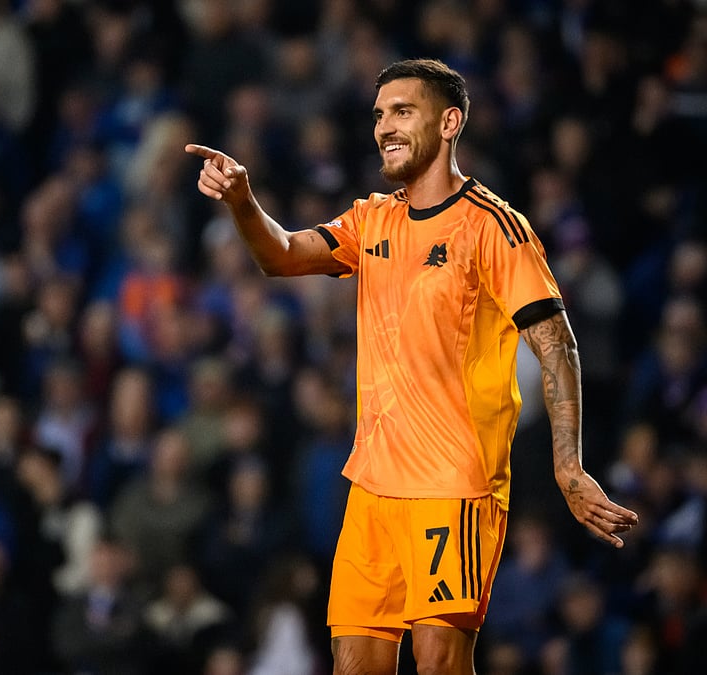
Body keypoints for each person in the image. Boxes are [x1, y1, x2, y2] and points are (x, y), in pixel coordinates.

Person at [186, 58, 640, 674]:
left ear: (449, 122)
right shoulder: (372, 219)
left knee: (439, 665)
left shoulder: (494, 227)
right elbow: (284, 255)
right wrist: (243, 201)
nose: (385, 127)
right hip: (372, 486)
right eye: (379, 115)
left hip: (453, 485)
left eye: (403, 111)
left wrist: (568, 465)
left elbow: (556, 343)